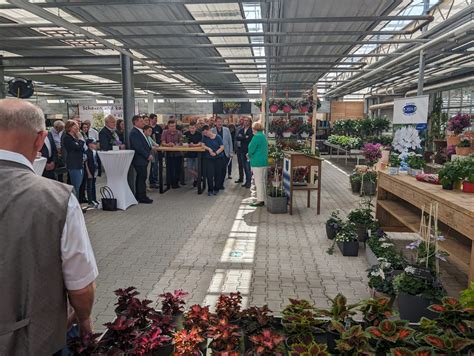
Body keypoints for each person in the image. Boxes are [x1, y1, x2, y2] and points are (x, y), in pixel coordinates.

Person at [0, 98, 98, 355]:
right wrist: (84, 318)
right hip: (35, 341)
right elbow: (81, 285)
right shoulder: (57, 198)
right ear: (40, 139)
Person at [129, 115, 153, 204]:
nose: (143, 122)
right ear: (135, 122)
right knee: (142, 177)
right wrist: (147, 155)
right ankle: (142, 197)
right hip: (140, 159)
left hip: (142, 159)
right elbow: (138, 147)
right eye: (141, 121)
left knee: (141, 177)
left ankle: (140, 195)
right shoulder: (134, 132)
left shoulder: (139, 131)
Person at [62, 120, 86, 197]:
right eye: (74, 126)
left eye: (77, 126)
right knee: (76, 186)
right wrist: (81, 139)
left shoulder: (74, 138)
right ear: (69, 127)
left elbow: (81, 148)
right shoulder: (67, 138)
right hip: (73, 164)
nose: (77, 127)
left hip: (79, 163)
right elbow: (78, 147)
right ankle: (76, 205)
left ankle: (77, 204)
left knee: (78, 186)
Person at [247, 121, 268, 207]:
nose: (252, 130)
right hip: (264, 162)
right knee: (262, 181)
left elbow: (251, 149)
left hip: (257, 162)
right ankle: (263, 198)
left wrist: (248, 155)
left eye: (252, 128)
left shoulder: (256, 137)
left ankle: (260, 200)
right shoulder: (263, 136)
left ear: (255, 129)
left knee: (258, 182)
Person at [201, 125, 225, 196]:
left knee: (218, 173)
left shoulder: (218, 137)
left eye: (206, 133)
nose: (205, 134)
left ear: (209, 130)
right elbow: (202, 145)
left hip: (218, 158)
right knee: (209, 174)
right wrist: (209, 149)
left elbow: (222, 147)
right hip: (209, 158)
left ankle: (216, 188)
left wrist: (216, 153)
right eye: (204, 133)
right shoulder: (205, 138)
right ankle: (210, 189)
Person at [212, 116, 233, 190]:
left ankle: (221, 184)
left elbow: (230, 141)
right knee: (217, 170)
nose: (219, 123)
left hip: (225, 153)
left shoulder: (226, 130)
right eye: (218, 122)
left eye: (221, 122)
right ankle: (217, 183)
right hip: (217, 153)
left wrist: (231, 152)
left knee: (224, 169)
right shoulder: (212, 130)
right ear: (215, 123)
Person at [161, 120, 183, 189]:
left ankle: (176, 183)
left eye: (174, 126)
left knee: (177, 169)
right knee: (169, 168)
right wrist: (168, 145)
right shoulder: (164, 132)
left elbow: (181, 142)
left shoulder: (179, 132)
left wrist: (177, 144)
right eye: (171, 126)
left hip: (178, 153)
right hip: (168, 153)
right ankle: (169, 182)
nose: (173, 127)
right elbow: (163, 142)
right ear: (168, 126)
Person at [236, 116, 253, 188]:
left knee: (248, 167)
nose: (245, 122)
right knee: (244, 167)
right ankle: (246, 182)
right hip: (242, 151)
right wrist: (244, 137)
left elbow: (250, 139)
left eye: (247, 121)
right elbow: (237, 137)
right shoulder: (241, 130)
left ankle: (249, 182)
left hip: (248, 152)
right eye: (245, 120)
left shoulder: (251, 130)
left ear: (250, 122)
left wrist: (243, 137)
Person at [184, 121, 202, 187]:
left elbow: (200, 143)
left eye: (193, 128)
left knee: (196, 168)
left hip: (197, 154)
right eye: (190, 128)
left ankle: (196, 180)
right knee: (189, 168)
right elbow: (184, 143)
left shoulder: (199, 134)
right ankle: (198, 176)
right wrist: (188, 144)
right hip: (189, 154)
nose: (192, 129)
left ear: (196, 128)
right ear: (188, 128)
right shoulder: (186, 133)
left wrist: (194, 145)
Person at [84, 138, 101, 208]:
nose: (95, 145)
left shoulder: (95, 152)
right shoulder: (86, 152)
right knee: (89, 186)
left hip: (95, 170)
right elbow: (86, 163)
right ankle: (90, 200)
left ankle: (94, 199)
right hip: (90, 171)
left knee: (93, 185)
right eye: (94, 143)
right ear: (89, 144)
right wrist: (88, 173)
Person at [149, 114, 163, 189]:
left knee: (156, 165)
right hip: (151, 149)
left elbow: (161, 137)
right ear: (150, 119)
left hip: (158, 149)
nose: (156, 120)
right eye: (154, 118)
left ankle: (156, 180)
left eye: (156, 119)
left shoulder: (159, 128)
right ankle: (152, 181)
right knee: (152, 165)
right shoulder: (148, 128)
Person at [234, 117, 245, 183]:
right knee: (240, 164)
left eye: (242, 120)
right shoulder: (237, 128)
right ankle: (241, 178)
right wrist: (235, 148)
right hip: (238, 148)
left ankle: (248, 180)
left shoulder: (247, 129)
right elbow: (235, 138)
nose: (241, 121)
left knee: (246, 165)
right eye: (240, 120)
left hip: (245, 148)